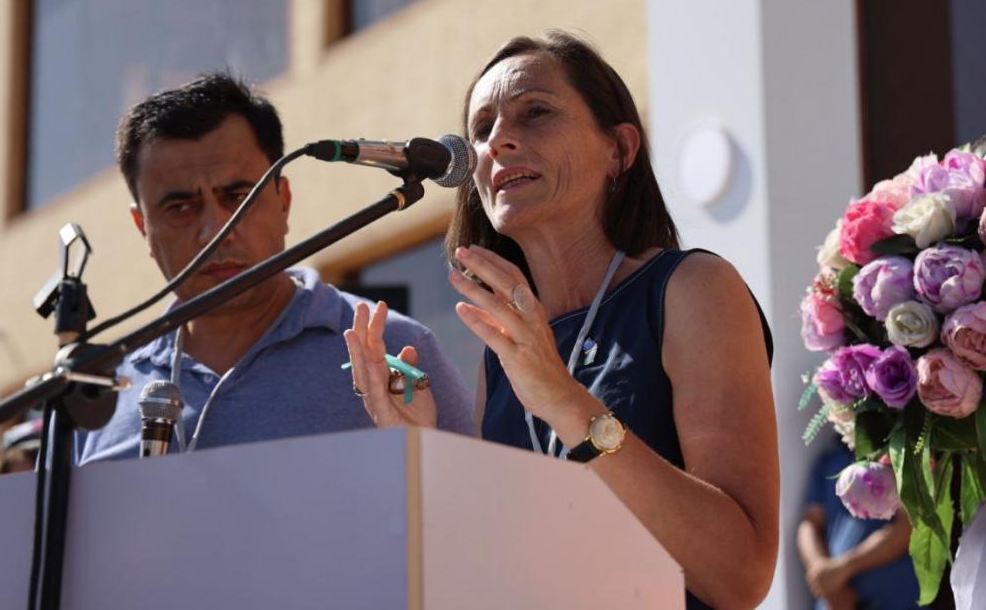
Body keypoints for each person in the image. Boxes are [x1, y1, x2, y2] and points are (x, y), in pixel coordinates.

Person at [345, 31, 779, 609]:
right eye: (481, 130)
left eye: (536, 112)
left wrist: (566, 401)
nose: (497, 142)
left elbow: (739, 575)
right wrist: (425, 458)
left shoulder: (691, 290)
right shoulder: (503, 351)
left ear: (619, 149)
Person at [75, 73, 473, 463]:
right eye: (180, 208)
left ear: (283, 201)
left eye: (237, 197)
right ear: (143, 227)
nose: (215, 232)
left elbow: (479, 515)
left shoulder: (396, 353)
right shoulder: (93, 398)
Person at [797, 442, 919, 609]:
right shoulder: (829, 460)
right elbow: (809, 524)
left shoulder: (900, 456)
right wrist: (824, 577)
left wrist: (841, 570)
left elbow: (907, 529)